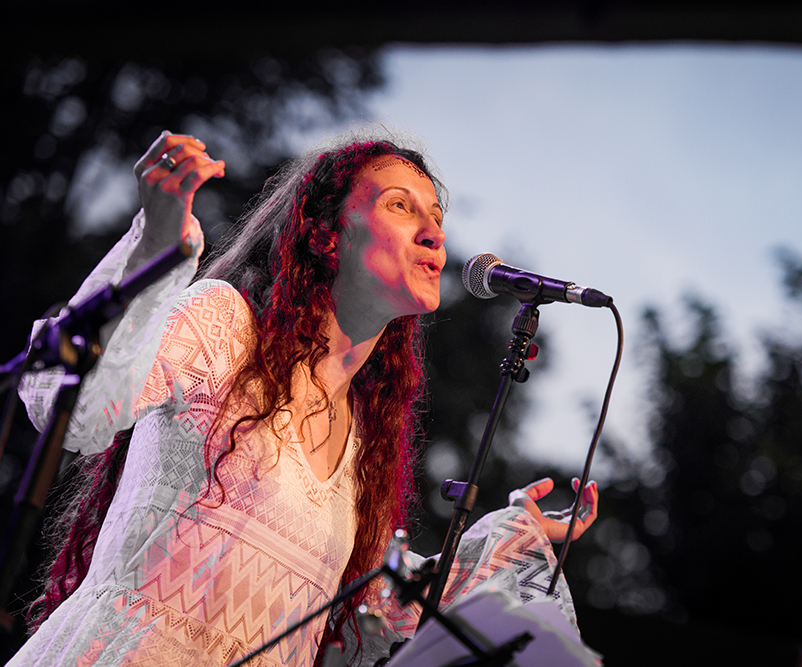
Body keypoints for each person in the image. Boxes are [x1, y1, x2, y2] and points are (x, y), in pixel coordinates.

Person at [10, 129, 599, 667]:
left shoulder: (361, 449)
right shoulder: (227, 329)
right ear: (326, 233)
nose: (434, 232)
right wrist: (158, 240)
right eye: (400, 206)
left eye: (436, 217)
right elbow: (72, 404)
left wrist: (506, 538)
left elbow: (372, 611)